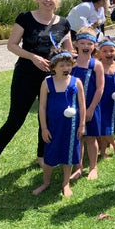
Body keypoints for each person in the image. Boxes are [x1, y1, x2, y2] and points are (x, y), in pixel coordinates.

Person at [0, 0, 72, 179]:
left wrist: (70, 56)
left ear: (58, 0)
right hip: (26, 74)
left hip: (51, 78)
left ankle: (41, 156)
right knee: (15, 120)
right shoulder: (25, 18)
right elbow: (11, 45)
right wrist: (33, 57)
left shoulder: (63, 23)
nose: (48, 0)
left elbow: (68, 51)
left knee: (46, 119)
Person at [32, 50, 86, 196]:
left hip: (71, 127)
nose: (65, 68)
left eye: (68, 65)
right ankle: (46, 182)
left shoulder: (76, 82)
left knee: (68, 154)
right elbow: (42, 107)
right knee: (50, 154)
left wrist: (81, 125)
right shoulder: (47, 82)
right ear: (54, 67)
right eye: (62, 65)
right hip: (53, 126)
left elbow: (82, 105)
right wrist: (44, 128)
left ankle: (66, 183)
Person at [70, 27, 104, 180]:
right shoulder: (71, 63)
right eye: (82, 43)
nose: (85, 46)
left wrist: (90, 109)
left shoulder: (96, 65)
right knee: (78, 137)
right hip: (74, 106)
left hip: (91, 106)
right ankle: (78, 167)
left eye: (89, 43)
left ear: (94, 46)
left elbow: (100, 88)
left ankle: (93, 167)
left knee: (90, 138)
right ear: (76, 44)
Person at [96, 39, 115, 158]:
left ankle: (108, 145)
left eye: (111, 51)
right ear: (99, 53)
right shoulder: (97, 66)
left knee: (108, 125)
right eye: (105, 51)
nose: (108, 53)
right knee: (102, 125)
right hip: (100, 99)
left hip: (112, 101)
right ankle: (111, 145)